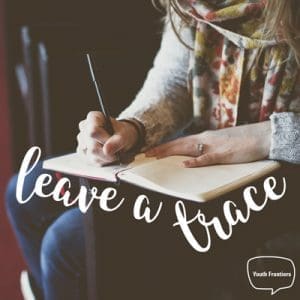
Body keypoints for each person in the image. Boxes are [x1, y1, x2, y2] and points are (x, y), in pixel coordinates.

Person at [6, 0, 300, 299]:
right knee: (26, 191)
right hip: (207, 154)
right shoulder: (191, 5)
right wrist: (133, 127)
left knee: (65, 243)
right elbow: (174, 81)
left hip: (283, 178)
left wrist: (265, 136)